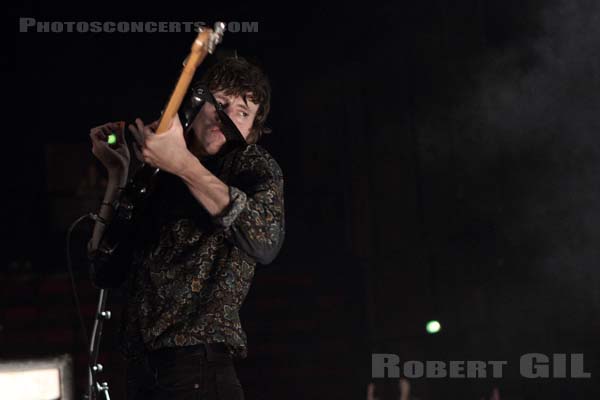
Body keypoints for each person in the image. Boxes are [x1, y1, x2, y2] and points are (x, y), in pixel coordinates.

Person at [87, 56, 285, 400]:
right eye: (220, 103)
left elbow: (265, 240)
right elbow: (105, 270)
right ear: (195, 108)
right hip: (140, 371)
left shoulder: (249, 163)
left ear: (252, 131)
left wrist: (183, 163)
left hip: (198, 369)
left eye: (242, 112)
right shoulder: (157, 176)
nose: (226, 117)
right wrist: (118, 176)